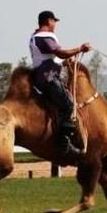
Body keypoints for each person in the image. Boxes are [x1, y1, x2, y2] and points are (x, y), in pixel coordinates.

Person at [29, 10, 92, 155]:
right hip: (49, 78)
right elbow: (59, 53)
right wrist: (80, 49)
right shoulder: (45, 36)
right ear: (48, 21)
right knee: (69, 106)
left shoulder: (35, 37)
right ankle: (65, 145)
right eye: (54, 21)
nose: (55, 25)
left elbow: (51, 58)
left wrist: (65, 61)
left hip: (43, 77)